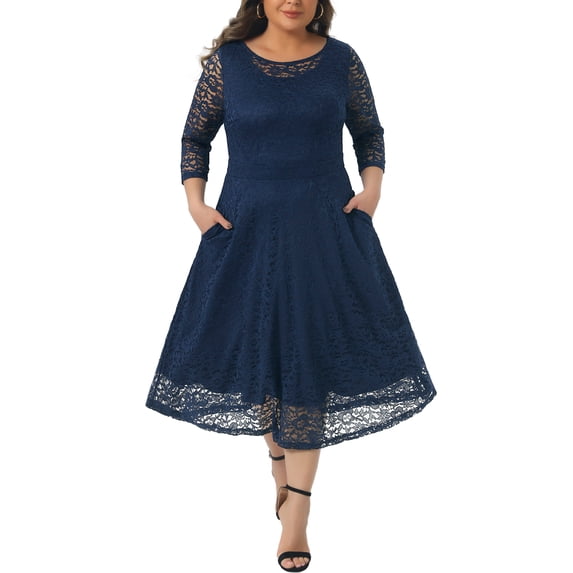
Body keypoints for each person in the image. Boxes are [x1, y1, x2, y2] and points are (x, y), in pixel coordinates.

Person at [145, 0, 437, 570]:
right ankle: (281, 470)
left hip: (325, 228)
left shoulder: (342, 60)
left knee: (309, 360)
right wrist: (196, 206)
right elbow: (194, 138)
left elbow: (369, 132)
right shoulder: (228, 64)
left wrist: (372, 189)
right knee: (261, 355)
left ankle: (297, 513)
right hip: (245, 228)